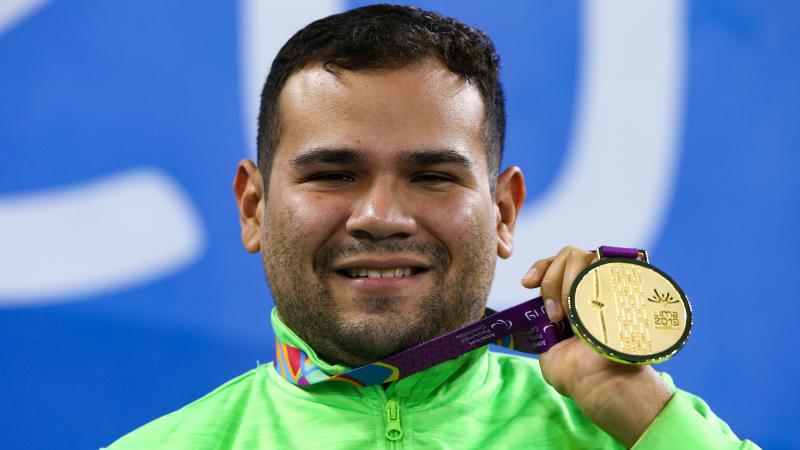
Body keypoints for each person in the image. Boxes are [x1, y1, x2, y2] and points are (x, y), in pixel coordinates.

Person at [105, 5, 757, 449]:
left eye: (432, 176)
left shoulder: (630, 429)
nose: (382, 217)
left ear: (504, 212)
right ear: (254, 207)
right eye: (334, 174)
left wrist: (642, 414)